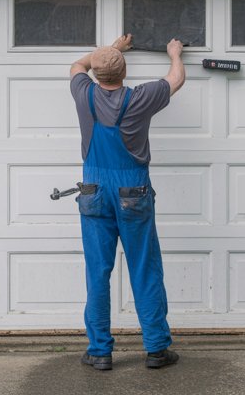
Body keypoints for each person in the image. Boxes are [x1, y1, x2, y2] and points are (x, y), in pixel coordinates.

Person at [69, 33, 186, 371]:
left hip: (94, 190)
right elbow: (176, 79)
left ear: (96, 74)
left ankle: (99, 351)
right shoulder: (141, 98)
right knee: (144, 267)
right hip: (132, 190)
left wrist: (111, 49)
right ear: (124, 71)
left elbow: (77, 65)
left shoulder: (83, 93)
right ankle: (156, 348)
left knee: (98, 272)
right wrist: (174, 54)